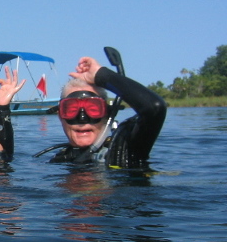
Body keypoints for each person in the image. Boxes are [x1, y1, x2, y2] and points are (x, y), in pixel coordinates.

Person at [37, 56, 166, 167]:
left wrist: (102, 76)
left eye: (93, 109)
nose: (82, 118)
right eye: (71, 109)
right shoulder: (60, 160)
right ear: (61, 116)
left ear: (107, 113)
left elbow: (154, 108)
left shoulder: (126, 148)